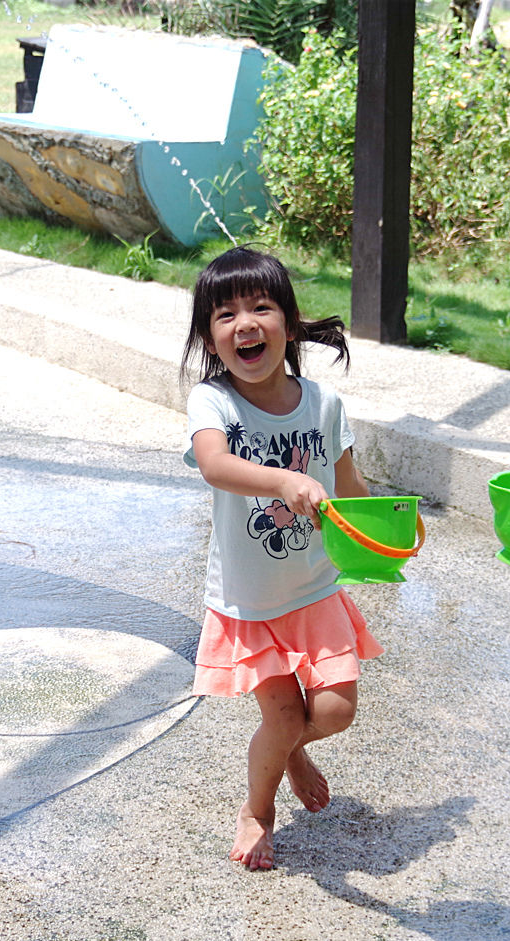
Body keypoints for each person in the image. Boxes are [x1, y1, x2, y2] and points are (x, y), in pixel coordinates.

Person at [181, 246, 382, 872]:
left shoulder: (323, 405)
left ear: (289, 325)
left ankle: (289, 746)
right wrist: (281, 482)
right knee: (283, 710)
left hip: (314, 588)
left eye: (261, 308)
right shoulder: (213, 404)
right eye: (225, 315)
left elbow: (352, 489)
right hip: (251, 598)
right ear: (211, 340)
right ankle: (258, 809)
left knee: (335, 711)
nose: (245, 323)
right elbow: (216, 465)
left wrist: (389, 530)